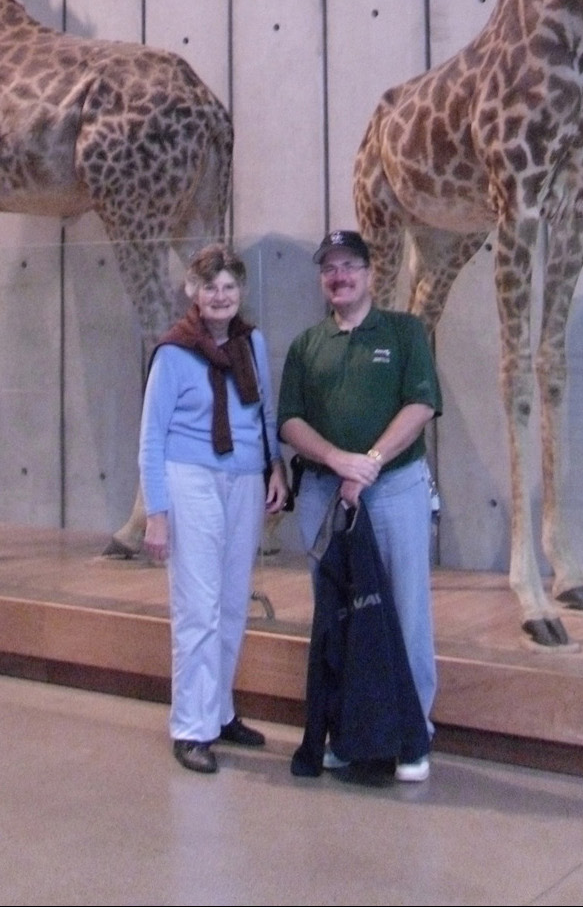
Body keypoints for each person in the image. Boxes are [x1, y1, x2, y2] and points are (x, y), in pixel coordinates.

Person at [278, 229, 442, 783]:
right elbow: (290, 422)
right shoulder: (307, 345)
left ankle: (411, 736)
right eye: (329, 268)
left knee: (405, 610)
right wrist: (338, 461)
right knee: (338, 616)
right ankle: (348, 734)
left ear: (371, 273)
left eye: (349, 265)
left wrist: (368, 462)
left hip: (394, 489)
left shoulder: (403, 331)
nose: (339, 276)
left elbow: (421, 402)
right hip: (325, 495)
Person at [140, 243, 289, 774]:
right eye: (211, 287)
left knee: (230, 603)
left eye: (228, 287)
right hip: (191, 478)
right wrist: (156, 512)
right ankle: (191, 726)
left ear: (239, 292)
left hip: (244, 478)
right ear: (193, 292)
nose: (220, 296)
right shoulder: (173, 352)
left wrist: (275, 467)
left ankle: (220, 711)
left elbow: (265, 411)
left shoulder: (253, 344)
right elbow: (151, 438)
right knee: (197, 607)